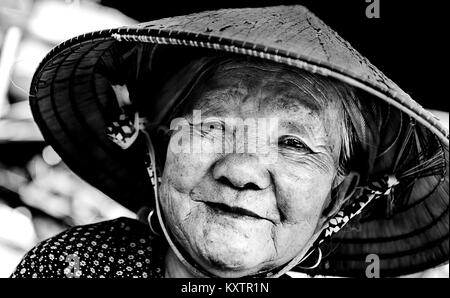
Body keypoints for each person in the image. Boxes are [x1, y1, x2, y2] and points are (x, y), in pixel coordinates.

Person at [11, 5, 448, 278]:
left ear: (339, 195)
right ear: (159, 149)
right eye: (212, 125)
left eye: (294, 144)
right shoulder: (73, 267)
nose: (241, 172)